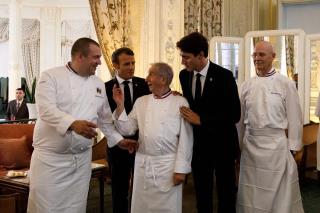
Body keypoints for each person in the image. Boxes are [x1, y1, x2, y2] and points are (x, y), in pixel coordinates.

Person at [27, 37, 137, 213]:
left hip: (81, 163)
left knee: (76, 208)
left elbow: (105, 119)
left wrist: (119, 140)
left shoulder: (98, 83)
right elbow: (45, 110)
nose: (100, 62)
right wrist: (72, 124)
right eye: (96, 57)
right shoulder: (50, 76)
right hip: (51, 162)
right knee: (46, 208)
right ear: (80, 57)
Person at [112, 62, 193, 213]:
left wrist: (181, 169)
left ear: (162, 79)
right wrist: (120, 105)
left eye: (150, 74)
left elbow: (186, 139)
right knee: (141, 208)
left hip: (167, 167)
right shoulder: (141, 101)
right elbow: (126, 128)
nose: (146, 78)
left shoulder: (180, 102)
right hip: (143, 165)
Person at [176, 32, 241, 213]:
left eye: (186, 57)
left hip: (223, 144)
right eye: (182, 57)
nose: (183, 61)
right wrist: (178, 99)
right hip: (199, 146)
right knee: (202, 193)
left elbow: (234, 114)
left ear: (201, 55)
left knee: (226, 193)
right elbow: (193, 103)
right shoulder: (184, 76)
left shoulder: (225, 76)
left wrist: (202, 120)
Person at [236, 40, 304, 213]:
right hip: (251, 145)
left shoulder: (285, 83)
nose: (257, 58)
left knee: (278, 192)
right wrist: (237, 144)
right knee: (252, 191)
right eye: (255, 55)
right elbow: (239, 118)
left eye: (261, 54)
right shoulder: (246, 85)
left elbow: (295, 116)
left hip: (276, 146)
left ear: (273, 57)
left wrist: (294, 146)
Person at [105, 47, 150, 213]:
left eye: (133, 63)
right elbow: (106, 122)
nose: (131, 67)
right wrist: (119, 140)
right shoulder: (105, 88)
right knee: (119, 192)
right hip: (117, 147)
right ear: (115, 65)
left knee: (141, 190)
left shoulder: (145, 84)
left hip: (141, 146)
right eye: (126, 64)